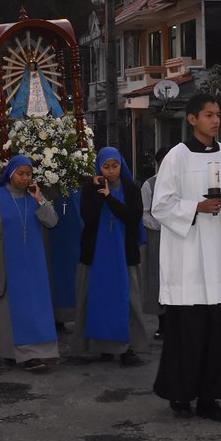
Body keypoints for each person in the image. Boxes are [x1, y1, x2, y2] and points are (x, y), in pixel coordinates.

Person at [151, 94, 221, 423]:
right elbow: (161, 206)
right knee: (189, 334)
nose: (215, 120)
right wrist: (195, 207)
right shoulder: (176, 157)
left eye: (218, 114)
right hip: (190, 260)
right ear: (192, 119)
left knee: (219, 334)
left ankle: (210, 398)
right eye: (208, 114)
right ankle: (181, 395)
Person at [0, 155, 59, 372]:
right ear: (10, 174)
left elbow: (52, 221)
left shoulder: (33, 197)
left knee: (36, 307)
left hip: (34, 262)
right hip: (6, 261)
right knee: (8, 309)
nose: (25, 178)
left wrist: (40, 199)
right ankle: (12, 353)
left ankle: (38, 353)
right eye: (20, 174)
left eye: (28, 174)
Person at [70, 147, 148, 366]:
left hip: (124, 254)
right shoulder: (89, 190)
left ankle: (127, 347)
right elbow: (88, 216)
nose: (111, 171)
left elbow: (132, 217)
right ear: (99, 168)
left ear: (121, 166)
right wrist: (98, 193)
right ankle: (100, 346)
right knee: (94, 297)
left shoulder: (131, 189)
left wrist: (110, 199)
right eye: (106, 167)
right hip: (95, 254)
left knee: (128, 300)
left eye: (115, 166)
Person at [140, 145, 170, 341]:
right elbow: (144, 215)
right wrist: (166, 224)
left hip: (180, 237)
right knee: (159, 279)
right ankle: (163, 324)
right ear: (158, 164)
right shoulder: (149, 185)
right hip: (158, 237)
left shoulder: (184, 183)